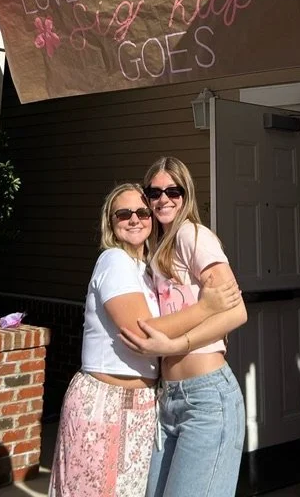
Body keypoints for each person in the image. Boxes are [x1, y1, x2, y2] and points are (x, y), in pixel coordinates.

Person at [49, 182, 242, 497]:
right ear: (110, 222)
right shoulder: (114, 260)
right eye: (123, 214)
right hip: (106, 403)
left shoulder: (147, 270)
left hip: (145, 407)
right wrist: (206, 307)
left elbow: (228, 311)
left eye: (142, 212)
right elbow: (141, 332)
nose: (135, 219)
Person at [120, 157, 248, 497]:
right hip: (170, 399)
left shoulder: (194, 235)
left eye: (172, 191)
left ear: (185, 194)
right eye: (155, 192)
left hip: (206, 398)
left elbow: (236, 313)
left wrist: (177, 346)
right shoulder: (159, 248)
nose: (164, 199)